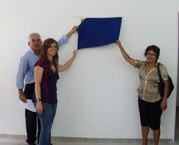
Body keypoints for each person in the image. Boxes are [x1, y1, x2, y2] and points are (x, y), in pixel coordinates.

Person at [16, 26, 78, 145]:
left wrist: (71, 33)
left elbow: (58, 45)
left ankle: (43, 142)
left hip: (49, 94)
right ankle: (31, 141)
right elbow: (22, 75)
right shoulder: (29, 58)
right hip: (32, 88)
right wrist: (21, 91)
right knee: (32, 119)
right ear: (29, 43)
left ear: (42, 42)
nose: (36, 42)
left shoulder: (50, 59)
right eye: (33, 40)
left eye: (38, 40)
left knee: (45, 124)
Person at [116, 40, 169, 145]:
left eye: (153, 54)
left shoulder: (161, 68)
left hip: (155, 101)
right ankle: (144, 143)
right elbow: (128, 59)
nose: (150, 56)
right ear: (146, 55)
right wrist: (120, 46)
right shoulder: (142, 65)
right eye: (148, 54)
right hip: (142, 100)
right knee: (144, 123)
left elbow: (166, 85)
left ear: (157, 56)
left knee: (155, 125)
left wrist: (164, 100)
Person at [33, 38, 77, 145]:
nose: (53, 48)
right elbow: (37, 84)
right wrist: (39, 101)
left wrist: (73, 57)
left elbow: (64, 67)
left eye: (55, 46)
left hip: (53, 99)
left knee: (48, 126)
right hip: (43, 100)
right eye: (50, 46)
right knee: (46, 126)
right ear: (46, 48)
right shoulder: (41, 63)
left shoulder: (52, 63)